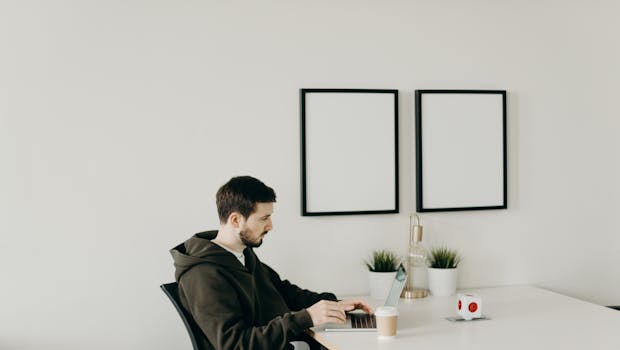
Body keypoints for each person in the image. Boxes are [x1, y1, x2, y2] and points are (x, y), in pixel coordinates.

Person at [170, 176, 372, 350]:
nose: (270, 226)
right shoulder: (203, 275)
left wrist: (334, 304)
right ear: (235, 220)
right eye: (263, 218)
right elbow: (235, 344)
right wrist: (306, 317)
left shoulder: (242, 254)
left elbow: (284, 291)